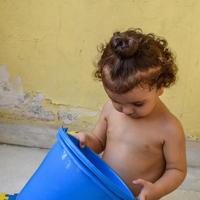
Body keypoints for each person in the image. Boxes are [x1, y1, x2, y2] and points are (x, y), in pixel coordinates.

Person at [75, 28, 187, 200]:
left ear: (160, 87)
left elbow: (176, 170)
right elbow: (98, 141)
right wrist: (85, 141)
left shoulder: (169, 128)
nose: (126, 111)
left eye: (138, 103)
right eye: (117, 101)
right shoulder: (110, 110)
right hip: (103, 190)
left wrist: (156, 190)